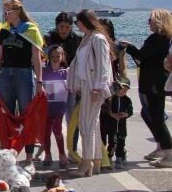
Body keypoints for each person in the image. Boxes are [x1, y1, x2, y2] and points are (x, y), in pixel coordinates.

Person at [0, 0, 44, 166]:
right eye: (4, 12)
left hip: (24, 74)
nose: (5, 15)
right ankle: (6, 154)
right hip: (6, 73)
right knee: (6, 113)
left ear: (17, 12)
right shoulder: (4, 30)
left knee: (26, 113)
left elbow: (36, 58)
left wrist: (39, 81)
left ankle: (29, 156)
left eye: (7, 12)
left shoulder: (31, 30)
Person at [66, 10, 113, 177]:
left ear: (83, 22)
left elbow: (103, 65)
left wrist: (97, 87)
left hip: (94, 86)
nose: (76, 25)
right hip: (87, 85)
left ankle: (87, 162)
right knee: (92, 123)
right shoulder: (87, 38)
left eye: (78, 21)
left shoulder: (97, 39)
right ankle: (95, 161)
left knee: (86, 124)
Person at [123, 8, 172, 167]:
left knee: (156, 116)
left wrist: (129, 47)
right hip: (153, 81)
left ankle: (168, 150)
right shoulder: (161, 38)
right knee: (148, 113)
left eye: (150, 19)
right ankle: (162, 146)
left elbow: (142, 56)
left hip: (154, 83)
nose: (148, 23)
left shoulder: (159, 38)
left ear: (158, 21)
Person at [42, 45, 69, 168]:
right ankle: (47, 154)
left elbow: (72, 88)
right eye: (52, 56)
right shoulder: (43, 71)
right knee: (45, 132)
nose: (55, 58)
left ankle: (62, 154)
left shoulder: (66, 72)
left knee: (57, 130)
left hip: (59, 107)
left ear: (62, 56)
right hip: (46, 107)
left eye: (58, 56)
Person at [100, 78, 133, 169]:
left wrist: (126, 114)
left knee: (121, 143)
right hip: (112, 126)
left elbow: (130, 111)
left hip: (122, 126)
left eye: (125, 90)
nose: (122, 92)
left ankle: (119, 159)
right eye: (120, 89)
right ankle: (109, 158)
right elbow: (105, 109)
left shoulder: (127, 100)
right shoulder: (110, 98)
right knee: (113, 143)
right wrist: (112, 114)